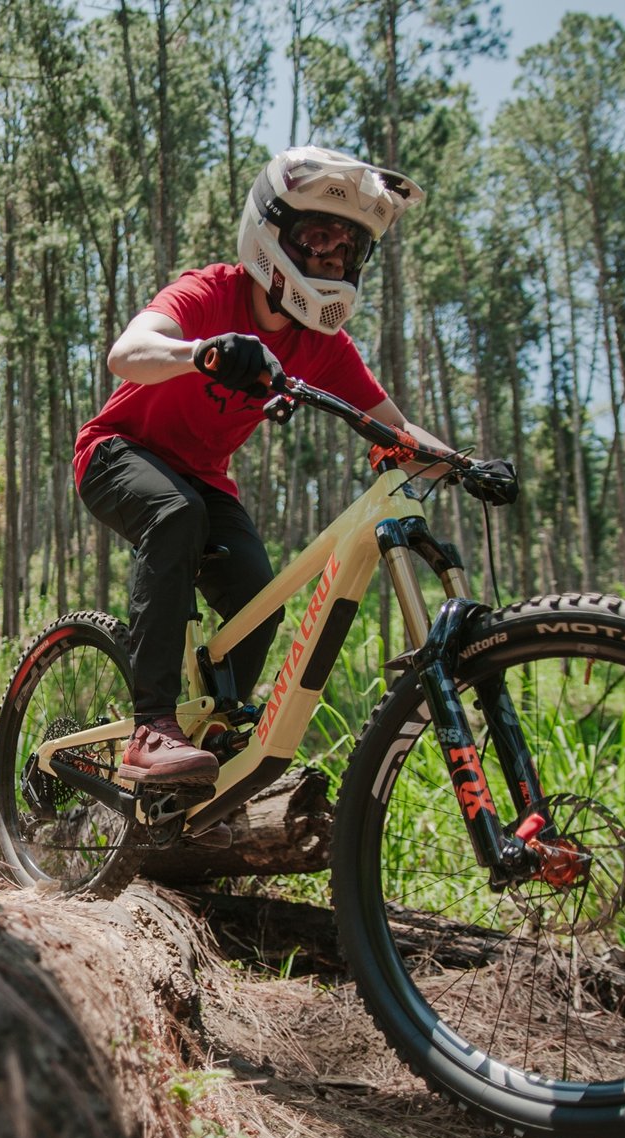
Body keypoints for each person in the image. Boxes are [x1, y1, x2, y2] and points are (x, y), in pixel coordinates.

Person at [73, 145, 450, 788]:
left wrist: (462, 462)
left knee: (261, 600)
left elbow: (395, 426)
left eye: (347, 250)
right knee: (175, 514)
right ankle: (151, 728)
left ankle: (216, 741)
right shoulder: (209, 291)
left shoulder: (322, 345)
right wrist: (202, 352)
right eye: (319, 238)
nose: (333, 259)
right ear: (271, 233)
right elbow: (127, 353)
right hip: (116, 452)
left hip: (203, 478)